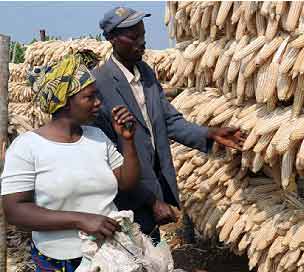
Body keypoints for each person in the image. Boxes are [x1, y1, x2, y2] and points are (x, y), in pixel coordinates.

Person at [93, 7, 246, 241]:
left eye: (143, 35)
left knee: (152, 251)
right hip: (127, 195)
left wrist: (209, 133)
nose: (142, 43)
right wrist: (151, 201)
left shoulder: (145, 73)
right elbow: (107, 158)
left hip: (155, 180)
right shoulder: (99, 85)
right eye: (134, 38)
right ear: (112, 39)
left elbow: (169, 120)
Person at [1, 51, 141, 271]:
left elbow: (127, 183)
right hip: (60, 259)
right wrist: (80, 219)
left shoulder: (97, 136)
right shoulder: (27, 147)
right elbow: (15, 211)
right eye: (89, 97)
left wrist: (128, 141)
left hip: (109, 253)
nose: (98, 103)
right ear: (64, 102)